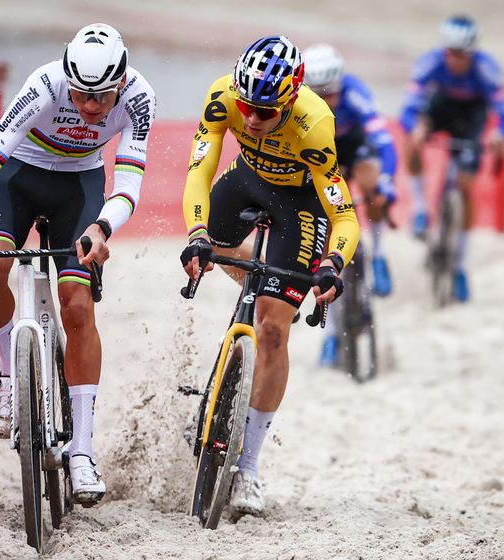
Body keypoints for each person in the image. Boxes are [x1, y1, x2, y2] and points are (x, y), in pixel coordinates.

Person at [0, 23, 156, 505]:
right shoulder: (45, 83)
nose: (88, 107)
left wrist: (102, 228)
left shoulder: (139, 96)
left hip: (78, 187)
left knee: (77, 306)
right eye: (79, 94)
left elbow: (128, 184)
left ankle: (81, 451)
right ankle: (8, 375)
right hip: (17, 176)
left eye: (99, 98)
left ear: (120, 82)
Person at [180, 35, 359, 516]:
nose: (252, 120)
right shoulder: (222, 98)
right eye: (247, 109)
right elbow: (199, 172)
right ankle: (268, 287)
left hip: (301, 203)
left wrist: (333, 265)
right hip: (246, 181)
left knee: (274, 330)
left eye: (266, 112)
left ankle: (250, 469)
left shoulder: (315, 122)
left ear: (291, 97)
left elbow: (345, 216)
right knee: (212, 248)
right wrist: (197, 232)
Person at [400, 14, 504, 302]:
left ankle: (461, 266)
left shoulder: (487, 69)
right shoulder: (430, 63)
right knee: (413, 138)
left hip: (472, 117)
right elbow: (408, 108)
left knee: (465, 186)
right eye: (451, 53)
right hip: (441, 108)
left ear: (472, 53)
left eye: (462, 55)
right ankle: (420, 208)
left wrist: (500, 135)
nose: (456, 60)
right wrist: (416, 128)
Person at [301, 43, 398, 367]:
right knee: (328, 236)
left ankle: (380, 253)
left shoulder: (356, 94)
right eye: (319, 95)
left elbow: (384, 142)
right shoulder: (298, 102)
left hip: (354, 148)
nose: (327, 101)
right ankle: (331, 334)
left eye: (332, 94)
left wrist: (385, 184)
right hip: (322, 152)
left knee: (373, 183)